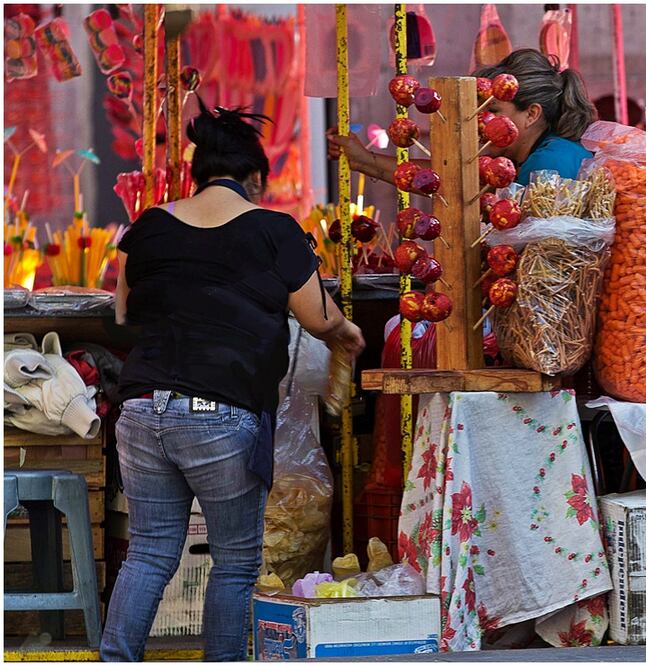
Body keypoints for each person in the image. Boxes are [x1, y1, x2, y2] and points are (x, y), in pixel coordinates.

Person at [102, 101, 364, 661]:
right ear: (256, 179)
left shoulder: (148, 226)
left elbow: (122, 311)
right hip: (219, 413)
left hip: (143, 408)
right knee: (237, 560)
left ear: (196, 175)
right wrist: (346, 329)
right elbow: (318, 318)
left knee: (149, 552)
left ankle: (115, 658)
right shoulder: (273, 231)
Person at [327, 48, 596, 186]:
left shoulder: (551, 162)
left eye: (493, 112)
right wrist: (364, 161)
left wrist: (365, 161)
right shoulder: (523, 159)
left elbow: (458, 187)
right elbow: (454, 180)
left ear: (531, 114)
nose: (479, 122)